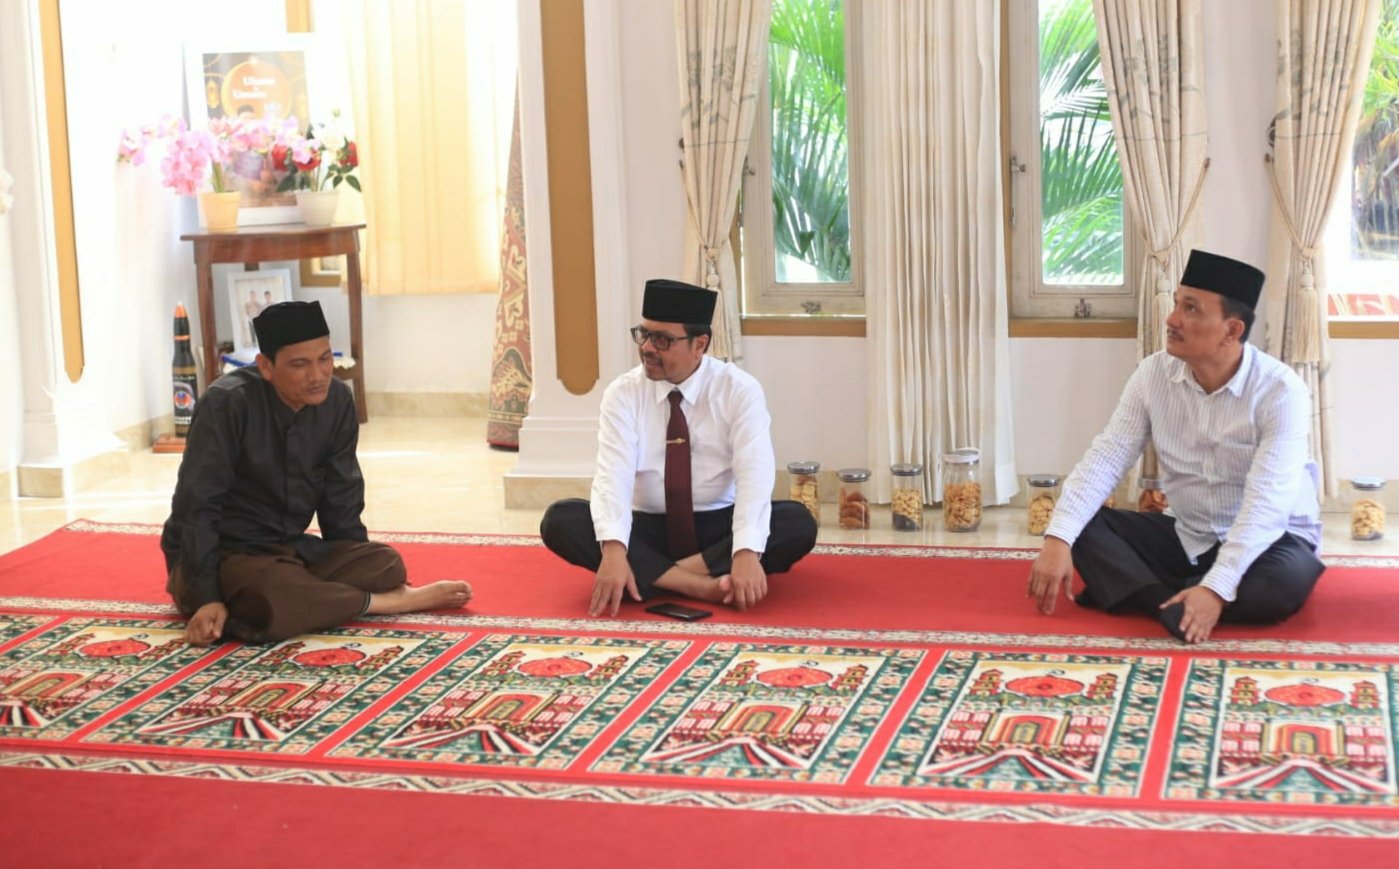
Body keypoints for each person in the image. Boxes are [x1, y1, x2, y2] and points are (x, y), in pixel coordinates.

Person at [1026, 249, 1324, 644]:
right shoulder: (1152, 375)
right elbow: (1107, 456)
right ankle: (1177, 603)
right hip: (1189, 534)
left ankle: (1156, 594)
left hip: (1272, 540)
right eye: (1176, 304)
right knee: (1081, 526)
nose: (1172, 320)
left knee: (1280, 586)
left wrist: (1218, 585)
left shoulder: (1281, 391)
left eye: (1191, 309)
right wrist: (1057, 539)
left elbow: (1268, 504)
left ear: (1232, 331)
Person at [161, 301, 471, 646]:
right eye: (300, 364)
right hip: (222, 555)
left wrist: (355, 560)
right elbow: (197, 507)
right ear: (265, 366)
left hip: (288, 550)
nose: (318, 375)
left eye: (324, 359)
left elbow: (342, 497)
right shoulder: (226, 404)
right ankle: (386, 603)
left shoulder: (337, 401)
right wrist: (205, 595)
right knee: (275, 591)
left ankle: (307, 600)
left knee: (385, 565)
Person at [541, 278, 818, 616]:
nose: (647, 348)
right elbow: (613, 476)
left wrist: (746, 552)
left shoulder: (739, 390)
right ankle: (700, 585)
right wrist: (613, 551)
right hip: (646, 526)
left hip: (717, 527)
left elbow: (754, 473)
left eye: (662, 339)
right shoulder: (623, 393)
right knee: (561, 519)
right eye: (643, 334)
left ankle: (652, 575)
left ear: (700, 344)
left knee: (796, 522)